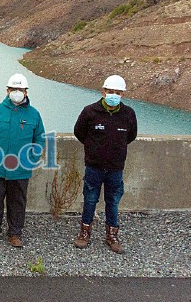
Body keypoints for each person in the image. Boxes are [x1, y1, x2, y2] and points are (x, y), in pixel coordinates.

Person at [73, 75, 137, 254]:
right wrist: (94, 149)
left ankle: (112, 236)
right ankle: (84, 233)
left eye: (118, 92)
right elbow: (79, 132)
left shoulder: (128, 114)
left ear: (123, 95)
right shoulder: (90, 112)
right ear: (103, 92)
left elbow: (130, 137)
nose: (113, 95)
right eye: (110, 92)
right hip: (94, 167)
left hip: (116, 168)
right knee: (90, 199)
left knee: (113, 201)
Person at [0, 73, 45, 248]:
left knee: (17, 201)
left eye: (21, 89)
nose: (17, 92)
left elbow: (39, 139)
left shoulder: (34, 114)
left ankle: (15, 233)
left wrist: (30, 159)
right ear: (8, 90)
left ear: (26, 91)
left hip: (20, 169)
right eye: (14, 89)